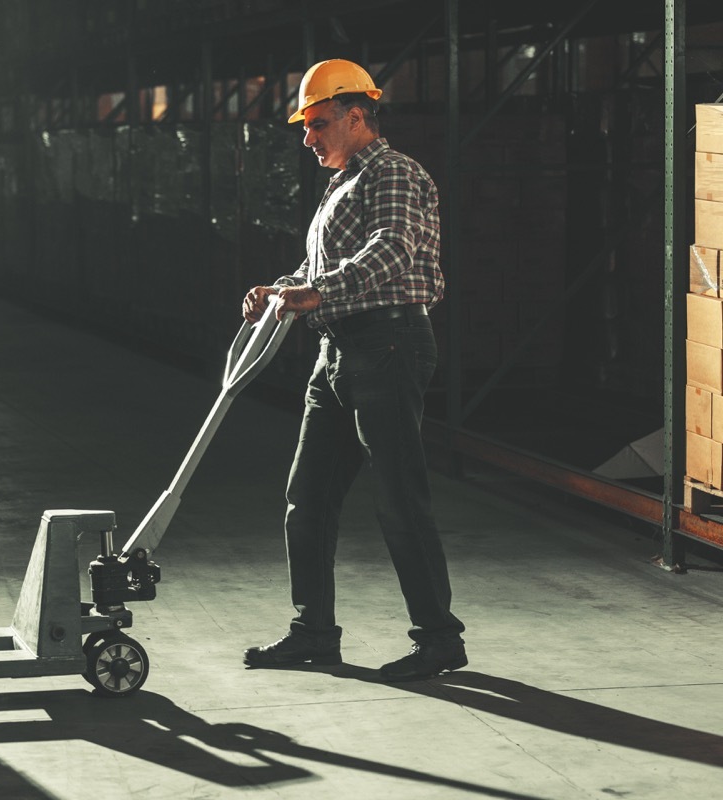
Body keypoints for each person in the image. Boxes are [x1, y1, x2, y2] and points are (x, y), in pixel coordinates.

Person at [241, 59, 465, 682]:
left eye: (316, 124)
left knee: (398, 498)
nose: (308, 137)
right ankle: (313, 632)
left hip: (388, 344)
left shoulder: (393, 173)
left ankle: (440, 639)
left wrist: (316, 294)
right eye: (306, 127)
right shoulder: (340, 185)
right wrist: (281, 288)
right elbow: (323, 273)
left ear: (355, 115)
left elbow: (393, 249)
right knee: (306, 499)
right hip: (338, 349)